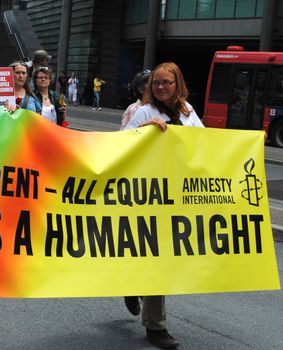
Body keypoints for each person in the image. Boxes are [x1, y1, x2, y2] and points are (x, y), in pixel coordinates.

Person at [124, 62, 204, 349]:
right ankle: (156, 327)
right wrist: (143, 130)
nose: (159, 87)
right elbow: (120, 147)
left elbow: (203, 144)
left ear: (177, 84)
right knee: (157, 258)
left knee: (159, 258)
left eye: (166, 82)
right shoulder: (143, 112)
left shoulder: (188, 112)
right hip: (148, 195)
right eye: (155, 82)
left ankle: (131, 283)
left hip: (177, 195)